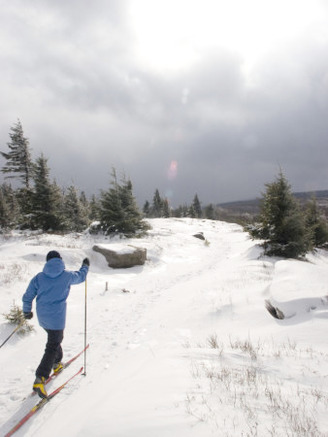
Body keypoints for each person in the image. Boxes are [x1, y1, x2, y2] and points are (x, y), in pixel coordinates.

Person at [22, 250, 90, 398]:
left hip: (43, 317)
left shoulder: (39, 277)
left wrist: (27, 311)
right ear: (60, 260)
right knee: (52, 345)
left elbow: (28, 295)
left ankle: (57, 363)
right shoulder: (67, 275)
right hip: (57, 317)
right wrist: (85, 265)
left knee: (54, 339)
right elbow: (81, 277)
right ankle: (41, 377)